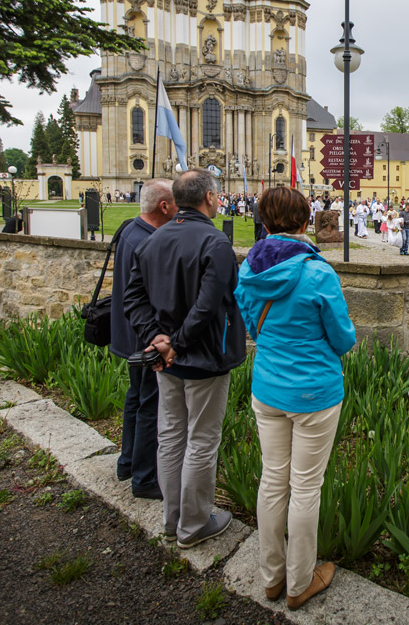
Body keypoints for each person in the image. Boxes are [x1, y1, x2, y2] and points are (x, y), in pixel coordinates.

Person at [235, 187, 357, 611]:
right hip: (314, 391)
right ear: (305, 223)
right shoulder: (317, 272)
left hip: (269, 386)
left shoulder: (249, 268)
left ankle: (272, 577)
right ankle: (298, 583)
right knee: (305, 487)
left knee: (273, 479)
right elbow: (343, 339)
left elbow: (252, 324)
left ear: (264, 224)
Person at [123, 168, 243, 548]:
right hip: (201, 355)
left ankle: (172, 518)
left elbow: (133, 300)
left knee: (171, 436)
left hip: (166, 357)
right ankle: (193, 524)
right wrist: (176, 341)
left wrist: (157, 339)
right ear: (209, 198)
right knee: (201, 440)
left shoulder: (153, 240)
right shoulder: (215, 242)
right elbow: (208, 306)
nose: (220, 199)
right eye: (218, 195)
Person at [111, 179, 176, 500]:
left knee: (136, 399)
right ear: (164, 206)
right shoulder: (150, 241)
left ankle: (127, 462)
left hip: (130, 335)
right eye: (176, 202)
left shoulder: (130, 230)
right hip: (146, 338)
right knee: (151, 405)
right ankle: (145, 477)